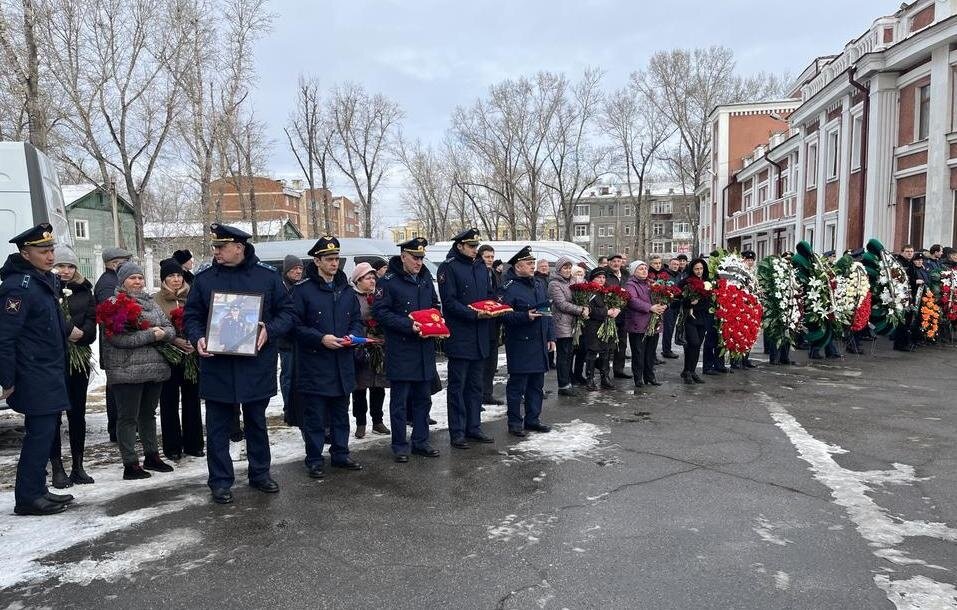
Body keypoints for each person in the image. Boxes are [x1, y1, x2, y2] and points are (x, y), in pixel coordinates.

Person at [184, 223, 296, 504]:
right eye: (215, 247)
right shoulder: (205, 279)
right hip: (218, 365)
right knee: (218, 426)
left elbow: (288, 313)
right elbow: (192, 315)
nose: (216, 251)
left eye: (221, 247)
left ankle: (260, 473)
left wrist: (268, 329)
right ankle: (220, 481)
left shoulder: (267, 278)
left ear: (239, 248)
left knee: (257, 421)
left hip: (255, 365)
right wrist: (197, 337)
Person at [1, 224, 75, 515]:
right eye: (43, 251)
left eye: (51, 250)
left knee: (44, 433)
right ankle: (28, 497)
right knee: (39, 435)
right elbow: (5, 337)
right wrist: (7, 379)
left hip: (48, 371)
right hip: (33, 374)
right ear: (25, 253)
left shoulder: (41, 280)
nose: (49, 255)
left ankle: (37, 490)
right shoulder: (18, 287)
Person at [290, 236, 364, 478]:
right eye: (330, 259)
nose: (335, 264)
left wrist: (353, 335)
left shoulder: (346, 290)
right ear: (317, 261)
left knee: (341, 412)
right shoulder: (302, 290)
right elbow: (295, 326)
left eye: (337, 259)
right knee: (315, 415)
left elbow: (356, 320)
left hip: (342, 362)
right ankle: (314, 458)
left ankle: (340, 453)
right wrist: (320, 338)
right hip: (315, 363)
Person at [103, 261, 176, 480]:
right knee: (127, 417)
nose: (137, 282)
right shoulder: (113, 303)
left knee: (148, 414)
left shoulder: (152, 303)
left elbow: (169, 328)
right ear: (122, 281)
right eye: (132, 278)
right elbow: (116, 337)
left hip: (153, 369)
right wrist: (151, 335)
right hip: (127, 370)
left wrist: (164, 333)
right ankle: (130, 463)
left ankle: (152, 455)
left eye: (140, 278)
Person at [371, 237, 442, 462]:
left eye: (421, 258)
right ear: (403, 257)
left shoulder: (424, 280)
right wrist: (408, 325)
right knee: (400, 403)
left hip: (424, 349)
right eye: (415, 257)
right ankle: (400, 445)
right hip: (402, 350)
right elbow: (380, 312)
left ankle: (421, 441)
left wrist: (435, 321)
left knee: (424, 399)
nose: (419, 262)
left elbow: (434, 305)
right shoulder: (389, 281)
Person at [438, 228, 496, 449]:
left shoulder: (481, 267)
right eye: (471, 246)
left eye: (476, 246)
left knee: (475, 386)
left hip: (480, 335)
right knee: (458, 387)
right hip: (461, 336)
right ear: (460, 246)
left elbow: (488, 294)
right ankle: (457, 432)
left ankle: (474, 427)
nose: (475, 250)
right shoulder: (449, 268)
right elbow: (450, 303)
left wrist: (494, 305)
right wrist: (474, 314)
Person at [48, 246, 97, 488]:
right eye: (60, 266)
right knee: (54, 416)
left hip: (78, 359)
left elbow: (92, 322)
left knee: (77, 414)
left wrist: (82, 334)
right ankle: (57, 468)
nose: (65, 271)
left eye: (70, 266)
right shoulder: (46, 288)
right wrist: (66, 331)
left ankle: (78, 466)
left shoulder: (84, 291)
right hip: (55, 360)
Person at [500, 246, 555, 435]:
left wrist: (550, 336)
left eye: (533, 263)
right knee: (517, 386)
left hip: (539, 342)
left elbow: (547, 312)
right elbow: (503, 316)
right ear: (517, 266)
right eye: (529, 263)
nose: (533, 266)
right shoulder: (509, 288)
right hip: (520, 343)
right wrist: (525, 316)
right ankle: (515, 422)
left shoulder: (539, 284)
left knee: (536, 385)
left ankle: (533, 419)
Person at [154, 258, 204, 460]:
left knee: (192, 399)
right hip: (168, 355)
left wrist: (193, 339)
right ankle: (172, 446)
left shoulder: (193, 296)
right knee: (169, 401)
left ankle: (194, 444)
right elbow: (153, 325)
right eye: (170, 276)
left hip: (192, 354)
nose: (176, 279)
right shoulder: (156, 300)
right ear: (163, 279)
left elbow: (201, 318)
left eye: (178, 276)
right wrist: (174, 340)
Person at [94, 246, 133, 443]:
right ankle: (116, 429)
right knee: (116, 388)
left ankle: (118, 428)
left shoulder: (111, 280)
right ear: (114, 263)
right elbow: (110, 312)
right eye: (124, 261)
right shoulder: (108, 283)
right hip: (113, 343)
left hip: (114, 342)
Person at [351, 262, 389, 438]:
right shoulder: (352, 297)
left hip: (378, 347)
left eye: (374, 277)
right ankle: (360, 423)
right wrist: (365, 336)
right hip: (361, 347)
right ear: (358, 280)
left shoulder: (379, 296)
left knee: (377, 386)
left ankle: (378, 421)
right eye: (368, 277)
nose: (372, 280)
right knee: (360, 388)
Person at [548, 256, 588, 397]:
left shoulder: (572, 281)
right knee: (563, 355)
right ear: (559, 269)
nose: (568, 270)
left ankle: (569, 381)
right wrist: (580, 309)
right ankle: (563, 385)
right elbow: (561, 304)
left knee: (570, 353)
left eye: (569, 267)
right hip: (561, 323)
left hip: (572, 323)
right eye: (565, 267)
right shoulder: (554, 284)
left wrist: (584, 304)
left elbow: (578, 296)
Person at [625, 261, 666, 388]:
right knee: (639, 353)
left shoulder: (651, 283)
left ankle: (650, 376)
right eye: (640, 269)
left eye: (645, 268)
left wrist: (663, 304)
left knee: (650, 352)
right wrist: (650, 307)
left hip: (653, 323)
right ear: (633, 272)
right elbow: (632, 300)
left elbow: (660, 296)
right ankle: (638, 378)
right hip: (638, 324)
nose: (644, 271)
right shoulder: (630, 284)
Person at [580, 267, 616, 390]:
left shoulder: (606, 291)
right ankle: (589, 379)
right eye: (598, 277)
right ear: (592, 279)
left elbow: (614, 304)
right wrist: (607, 311)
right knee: (592, 352)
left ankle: (605, 377)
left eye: (603, 277)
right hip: (592, 326)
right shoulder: (589, 291)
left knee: (606, 351)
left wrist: (617, 309)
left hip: (606, 325)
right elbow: (589, 310)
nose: (601, 280)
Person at [277, 254, 303, 420]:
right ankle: (288, 408)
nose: (298, 271)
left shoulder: (301, 287)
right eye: (294, 268)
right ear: (287, 270)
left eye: (300, 268)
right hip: (286, 341)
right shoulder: (281, 288)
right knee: (288, 376)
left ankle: (297, 406)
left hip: (300, 340)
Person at [478, 244, 503, 405]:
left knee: (492, 363)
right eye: (487, 257)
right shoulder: (477, 273)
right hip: (481, 321)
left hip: (494, 322)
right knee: (481, 362)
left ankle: (487, 393)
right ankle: (478, 396)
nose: (490, 260)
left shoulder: (493, 273)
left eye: (492, 257)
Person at [678, 258, 710, 384]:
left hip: (703, 317)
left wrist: (699, 302)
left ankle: (690, 371)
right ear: (692, 269)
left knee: (697, 346)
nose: (699, 271)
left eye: (701, 268)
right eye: (696, 269)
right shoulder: (686, 282)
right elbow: (677, 296)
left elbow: (709, 299)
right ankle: (687, 371)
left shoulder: (707, 282)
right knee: (693, 343)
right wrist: (688, 302)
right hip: (690, 317)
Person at [730, 251, 759, 370]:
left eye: (752, 260)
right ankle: (735, 360)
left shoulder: (753, 273)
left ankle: (745, 358)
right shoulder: (739, 273)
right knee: (738, 333)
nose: (750, 262)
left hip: (752, 307)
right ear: (743, 260)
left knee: (750, 333)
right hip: (741, 306)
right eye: (748, 260)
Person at [605, 254, 632, 378]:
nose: (616, 263)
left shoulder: (626, 275)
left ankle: (618, 370)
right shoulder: (605, 275)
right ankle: (604, 372)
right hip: (610, 314)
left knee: (622, 343)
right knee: (608, 345)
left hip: (624, 313)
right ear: (609, 263)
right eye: (614, 261)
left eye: (619, 261)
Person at [661, 257, 685, 359]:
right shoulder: (666, 275)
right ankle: (666, 350)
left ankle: (667, 349)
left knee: (672, 328)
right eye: (673, 264)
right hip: (668, 305)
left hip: (677, 304)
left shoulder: (679, 275)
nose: (675, 266)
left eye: (677, 264)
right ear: (669, 264)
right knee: (668, 328)